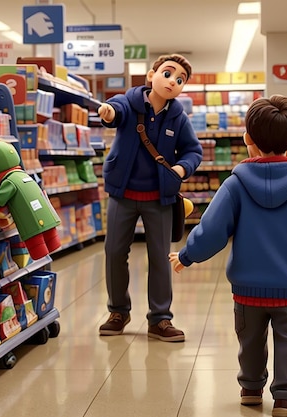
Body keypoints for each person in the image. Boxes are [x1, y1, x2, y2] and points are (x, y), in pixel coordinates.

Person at [169, 95, 287, 417]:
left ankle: (250, 388)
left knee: (249, 341)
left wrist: (187, 255)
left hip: (246, 290)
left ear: (247, 140)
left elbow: (212, 230)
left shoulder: (235, 184)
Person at [97, 54, 203, 342]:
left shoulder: (178, 118)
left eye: (180, 80)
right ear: (151, 75)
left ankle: (160, 319)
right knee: (115, 253)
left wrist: (182, 168)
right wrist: (107, 112)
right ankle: (118, 311)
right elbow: (113, 111)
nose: (173, 81)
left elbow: (194, 151)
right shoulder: (128, 104)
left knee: (160, 257)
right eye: (168, 74)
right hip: (122, 194)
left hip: (160, 197)